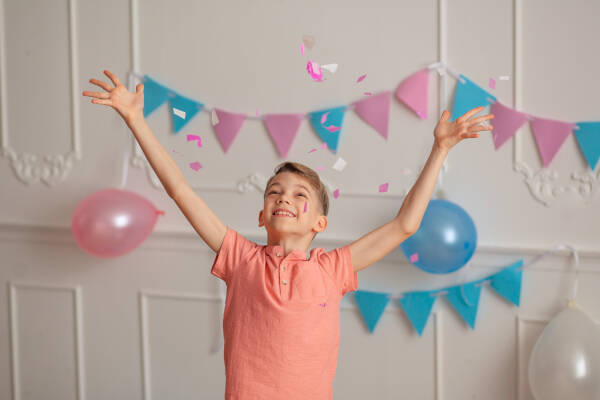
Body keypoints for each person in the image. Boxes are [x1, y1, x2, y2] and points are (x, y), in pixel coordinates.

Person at [83, 70, 493, 399]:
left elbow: (405, 225)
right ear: (262, 215)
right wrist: (136, 119)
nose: (284, 198)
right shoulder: (239, 258)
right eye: (274, 193)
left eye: (300, 195)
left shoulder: (333, 269)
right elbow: (180, 190)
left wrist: (440, 149)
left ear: (319, 223)